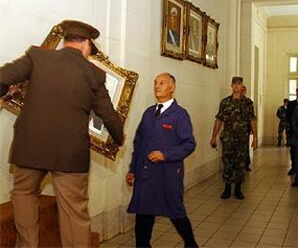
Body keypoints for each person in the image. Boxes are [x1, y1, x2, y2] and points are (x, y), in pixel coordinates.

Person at [0, 20, 124, 247]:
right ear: (87, 44)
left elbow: (2, 77)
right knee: (74, 212)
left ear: (65, 41)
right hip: (70, 153)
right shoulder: (94, 73)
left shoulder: (37, 57)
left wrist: (5, 92)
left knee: (24, 197)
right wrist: (118, 138)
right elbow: (107, 114)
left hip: (29, 147)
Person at [126, 73, 198, 248]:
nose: (157, 86)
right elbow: (138, 143)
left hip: (168, 173)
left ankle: (190, 244)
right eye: (155, 83)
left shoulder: (179, 115)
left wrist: (165, 154)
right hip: (145, 173)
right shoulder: (149, 113)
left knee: (175, 211)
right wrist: (132, 169)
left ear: (172, 87)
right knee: (143, 213)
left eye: (162, 83)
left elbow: (189, 144)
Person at [210, 77, 257, 200]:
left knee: (240, 163)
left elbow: (252, 120)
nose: (236, 86)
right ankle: (227, 188)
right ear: (231, 86)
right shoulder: (225, 102)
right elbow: (219, 119)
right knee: (227, 162)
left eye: (239, 84)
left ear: (242, 86)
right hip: (228, 138)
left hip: (242, 139)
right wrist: (213, 136)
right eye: (234, 84)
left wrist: (255, 138)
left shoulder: (248, 103)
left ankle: (238, 189)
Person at [285, 86, 298, 175]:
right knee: (293, 151)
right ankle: (293, 167)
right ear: (296, 93)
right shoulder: (291, 104)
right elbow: (288, 117)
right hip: (294, 132)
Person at [241, 85, 252, 171]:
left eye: (243, 90)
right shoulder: (230, 101)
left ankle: (246, 164)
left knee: (245, 148)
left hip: (245, 130)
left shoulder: (248, 102)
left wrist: (252, 129)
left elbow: (252, 118)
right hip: (232, 131)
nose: (242, 91)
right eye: (241, 90)